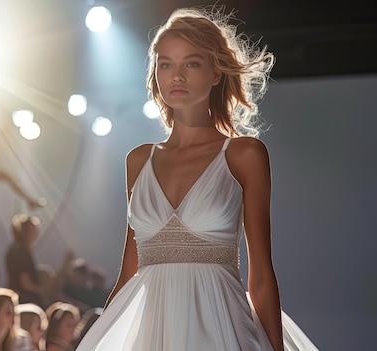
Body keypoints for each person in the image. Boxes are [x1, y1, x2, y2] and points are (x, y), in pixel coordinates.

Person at [76, 6, 318, 351]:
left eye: (191, 63)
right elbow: (129, 270)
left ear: (216, 72)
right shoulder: (138, 160)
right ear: (155, 73)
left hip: (221, 327)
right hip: (149, 331)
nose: (177, 76)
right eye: (166, 64)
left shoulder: (244, 154)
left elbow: (262, 274)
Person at [5, 214, 46, 308]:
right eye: (33, 230)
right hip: (25, 299)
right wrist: (42, 290)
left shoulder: (17, 250)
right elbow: (25, 283)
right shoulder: (21, 252)